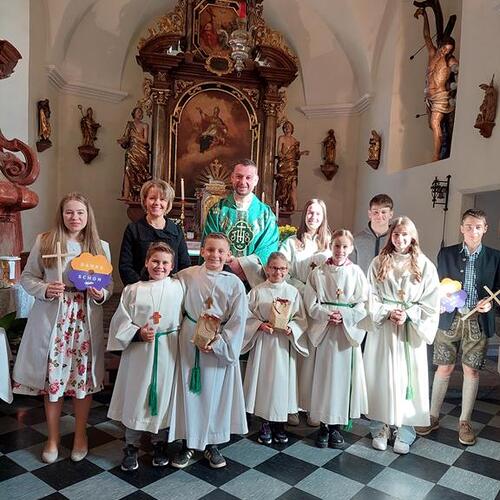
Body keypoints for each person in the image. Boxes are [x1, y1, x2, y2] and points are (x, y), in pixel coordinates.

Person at [12, 192, 113, 464]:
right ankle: (53, 438)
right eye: (69, 212)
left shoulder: (99, 246)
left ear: (88, 215)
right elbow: (28, 277)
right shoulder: (45, 240)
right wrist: (46, 288)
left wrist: (100, 294)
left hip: (83, 320)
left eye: (80, 212)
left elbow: (109, 284)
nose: (74, 217)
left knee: (82, 381)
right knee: (53, 380)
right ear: (61, 214)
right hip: (54, 319)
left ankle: (80, 435)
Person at [416, 209, 500, 445]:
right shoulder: (447, 254)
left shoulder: (495, 257)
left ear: (485, 229)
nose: (473, 231)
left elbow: (498, 291)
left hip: (478, 321)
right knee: (443, 368)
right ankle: (433, 415)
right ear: (461, 228)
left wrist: (490, 304)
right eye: (469, 226)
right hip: (449, 319)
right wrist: (439, 301)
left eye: (478, 227)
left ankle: (464, 421)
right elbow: (436, 285)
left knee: (471, 371)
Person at [169, 233, 248, 469]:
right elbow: (171, 301)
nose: (215, 255)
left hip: (218, 342)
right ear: (202, 251)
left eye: (221, 251)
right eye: (210, 250)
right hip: (189, 339)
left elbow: (238, 320)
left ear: (228, 255)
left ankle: (212, 443)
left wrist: (220, 343)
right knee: (188, 392)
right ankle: (188, 443)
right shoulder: (186, 275)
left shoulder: (234, 283)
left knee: (215, 393)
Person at [363, 217, 440, 454]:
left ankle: (405, 431)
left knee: (408, 380)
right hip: (384, 329)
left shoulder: (424, 265)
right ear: (391, 236)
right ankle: (379, 427)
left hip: (410, 331)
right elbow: (369, 295)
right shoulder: (378, 262)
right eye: (396, 234)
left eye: (405, 234)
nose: (400, 239)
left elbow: (431, 302)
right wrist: (387, 312)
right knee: (381, 376)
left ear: (413, 236)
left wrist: (409, 314)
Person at [108, 242, 183, 471]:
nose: (160, 266)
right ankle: (131, 445)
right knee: (137, 395)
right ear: (146, 263)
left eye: (165, 262)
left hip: (168, 350)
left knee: (162, 396)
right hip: (139, 353)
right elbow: (120, 321)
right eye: (155, 261)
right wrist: (138, 332)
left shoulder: (179, 287)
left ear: (172, 266)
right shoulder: (133, 289)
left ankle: (159, 443)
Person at [304, 229, 369, 448]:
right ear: (331, 246)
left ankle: (336, 428)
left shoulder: (356, 273)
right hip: (325, 332)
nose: (340, 250)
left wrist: (346, 316)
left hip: (345, 333)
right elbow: (310, 303)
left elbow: (363, 303)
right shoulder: (318, 273)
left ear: (351, 248)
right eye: (337, 245)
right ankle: (323, 425)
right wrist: (326, 315)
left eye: (345, 246)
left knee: (342, 380)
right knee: (324, 379)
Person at [242, 252, 308, 445]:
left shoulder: (293, 292)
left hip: (284, 345)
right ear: (267, 268)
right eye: (274, 268)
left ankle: (279, 424)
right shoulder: (257, 291)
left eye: (282, 268)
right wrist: (259, 325)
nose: (278, 272)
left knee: (281, 384)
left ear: (287, 270)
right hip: (264, 343)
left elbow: (301, 319)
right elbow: (245, 315)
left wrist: (292, 328)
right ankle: (264, 423)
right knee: (264, 382)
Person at [279, 198, 332, 426]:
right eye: (310, 212)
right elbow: (283, 272)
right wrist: (305, 290)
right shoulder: (291, 242)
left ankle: (312, 406)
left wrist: (319, 294)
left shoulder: (329, 244)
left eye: (318, 214)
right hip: (297, 303)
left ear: (323, 217)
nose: (313, 217)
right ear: (305, 215)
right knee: (295, 354)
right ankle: (291, 405)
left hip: (319, 307)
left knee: (314, 358)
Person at [202, 159, 279, 288]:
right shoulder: (217, 211)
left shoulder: (266, 215)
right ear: (232, 178)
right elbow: (210, 243)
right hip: (221, 277)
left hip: (253, 283)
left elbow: (268, 247)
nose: (243, 182)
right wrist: (228, 262)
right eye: (239, 176)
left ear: (256, 180)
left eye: (248, 177)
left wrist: (243, 266)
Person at [119, 179, 191, 285]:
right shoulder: (133, 229)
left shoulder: (176, 231)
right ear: (145, 201)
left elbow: (185, 265)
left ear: (168, 203)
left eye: (162, 199)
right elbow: (125, 265)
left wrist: (175, 287)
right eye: (152, 198)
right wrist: (141, 286)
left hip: (170, 288)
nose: (157, 203)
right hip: (140, 288)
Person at [414, 7, 459, 161]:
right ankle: (440, 151)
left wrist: (456, 71)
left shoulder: (449, 60)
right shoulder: (432, 54)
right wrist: (424, 15)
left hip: (440, 96)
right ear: (441, 45)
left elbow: (457, 67)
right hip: (429, 96)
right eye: (444, 48)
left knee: (435, 123)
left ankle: (436, 156)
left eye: (448, 50)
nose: (445, 51)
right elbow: (427, 36)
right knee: (431, 125)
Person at [352, 194, 394, 275]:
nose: (379, 215)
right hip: (363, 283)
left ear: (391, 214)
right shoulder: (356, 240)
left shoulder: (396, 240)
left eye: (383, 212)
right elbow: (350, 271)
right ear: (369, 214)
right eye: (375, 212)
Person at [117, 106, 151, 202]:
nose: (139, 113)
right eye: (137, 112)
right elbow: (126, 137)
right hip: (131, 150)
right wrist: (122, 141)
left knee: (141, 172)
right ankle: (126, 195)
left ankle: (141, 194)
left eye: (141, 112)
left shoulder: (145, 125)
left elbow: (145, 140)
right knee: (128, 171)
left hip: (141, 152)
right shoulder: (130, 125)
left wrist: (135, 135)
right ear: (134, 114)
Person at [275, 120, 309, 212]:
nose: (287, 128)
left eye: (289, 127)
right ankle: (282, 204)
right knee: (283, 185)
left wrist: (302, 153)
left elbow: (296, 155)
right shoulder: (281, 138)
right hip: (284, 165)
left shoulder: (295, 141)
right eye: (285, 127)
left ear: (292, 129)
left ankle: (294, 206)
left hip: (292, 165)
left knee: (293, 186)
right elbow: (279, 151)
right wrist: (282, 156)